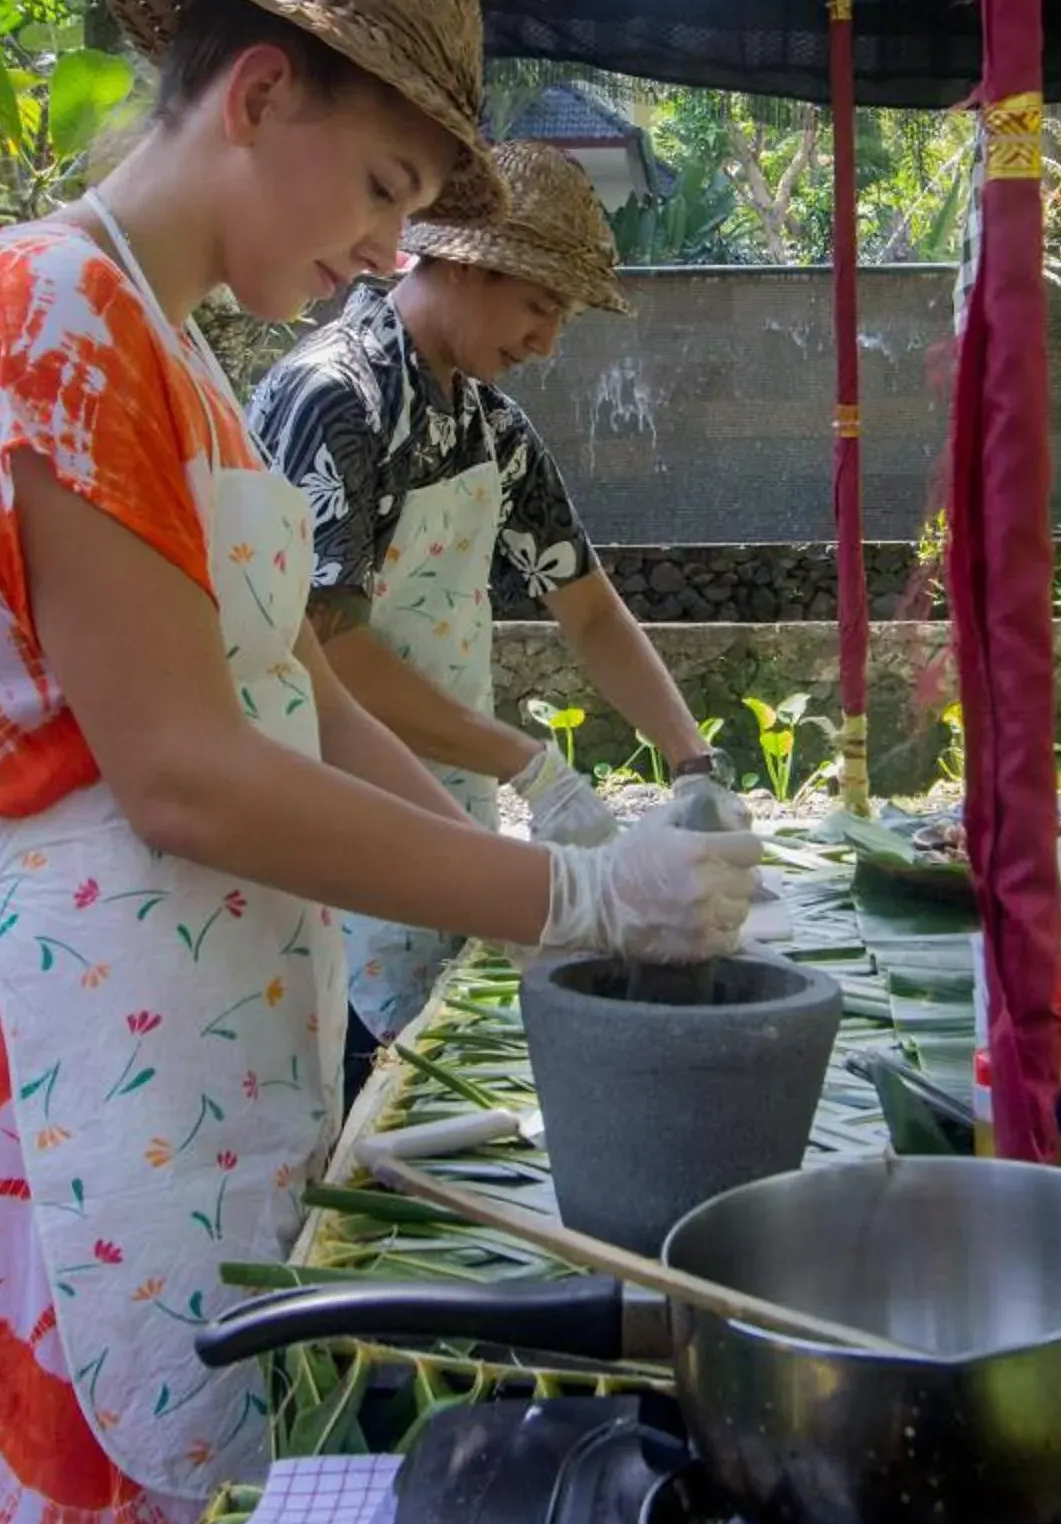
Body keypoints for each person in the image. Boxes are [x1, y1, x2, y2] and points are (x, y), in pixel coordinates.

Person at [0, 0, 761, 1524]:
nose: (379, 249)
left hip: (201, 1027)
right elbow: (189, 774)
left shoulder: (179, 362)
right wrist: (580, 890)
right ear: (262, 95)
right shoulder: (45, 319)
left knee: (232, 1494)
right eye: (380, 191)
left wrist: (512, 893)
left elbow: (305, 698)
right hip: (92, 1047)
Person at [248, 139, 757, 1081]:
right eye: (541, 306)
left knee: (429, 1075)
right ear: (473, 263)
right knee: (352, 1086)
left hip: (454, 803)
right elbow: (327, 647)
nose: (548, 341)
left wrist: (695, 767)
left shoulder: (491, 427)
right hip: (328, 808)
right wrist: (533, 765)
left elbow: (590, 608)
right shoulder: (338, 399)